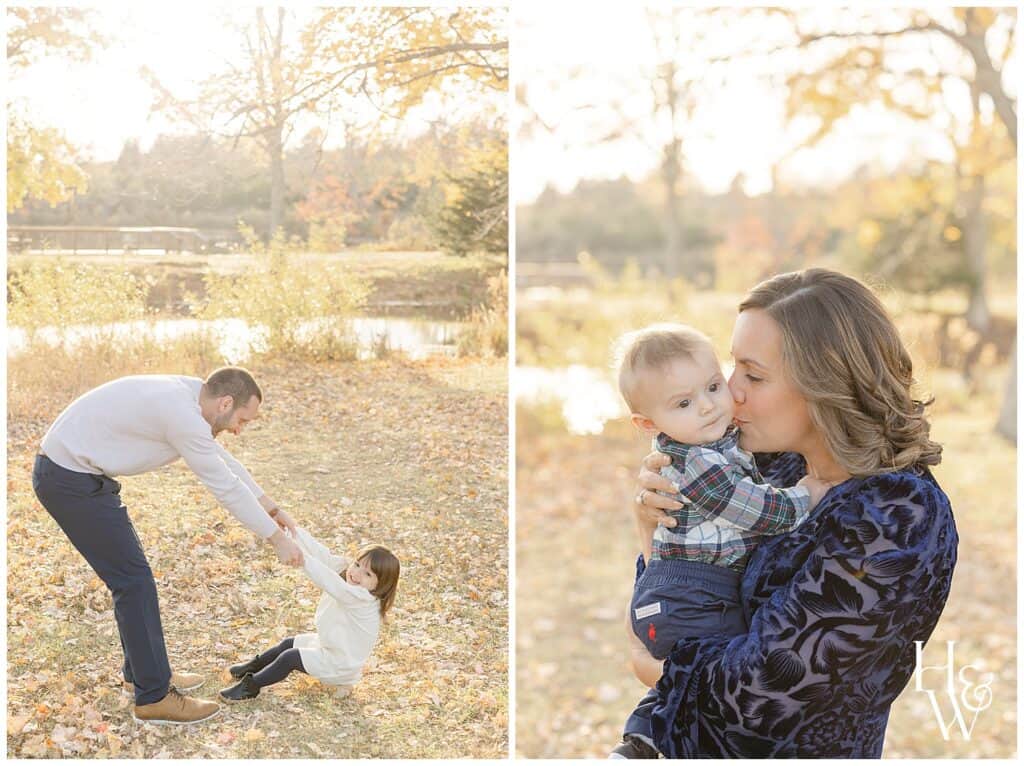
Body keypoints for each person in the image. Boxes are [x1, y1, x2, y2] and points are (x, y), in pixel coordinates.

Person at [628, 268, 957, 757]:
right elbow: (671, 604)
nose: (729, 390)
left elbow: (760, 695)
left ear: (827, 385)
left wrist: (647, 665)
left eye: (754, 375)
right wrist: (648, 526)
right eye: (731, 365)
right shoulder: (774, 466)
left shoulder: (900, 515)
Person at [32, 367, 305, 725]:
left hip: (81, 475)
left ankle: (144, 674)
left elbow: (223, 462)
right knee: (133, 581)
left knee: (133, 580)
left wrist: (271, 507)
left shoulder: (191, 396)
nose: (239, 430)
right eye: (242, 419)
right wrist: (276, 538)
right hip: (69, 479)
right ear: (225, 403)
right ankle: (154, 696)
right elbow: (224, 486)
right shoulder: (183, 417)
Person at [609, 323, 832, 758]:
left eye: (713, 386)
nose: (710, 406)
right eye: (685, 403)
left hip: (689, 590)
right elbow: (761, 511)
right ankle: (654, 739)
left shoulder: (724, 445)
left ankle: (642, 739)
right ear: (648, 423)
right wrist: (808, 494)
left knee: (696, 669)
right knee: (721, 663)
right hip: (692, 593)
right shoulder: (698, 464)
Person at [220, 526, 399, 700]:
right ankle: (251, 668)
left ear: (380, 585)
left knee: (290, 658)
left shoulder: (361, 598)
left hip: (339, 663)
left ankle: (250, 687)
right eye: (357, 564)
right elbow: (323, 556)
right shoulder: (349, 575)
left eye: (367, 574)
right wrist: (291, 531)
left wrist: (301, 558)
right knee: (287, 644)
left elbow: (327, 579)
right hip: (329, 647)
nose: (356, 573)